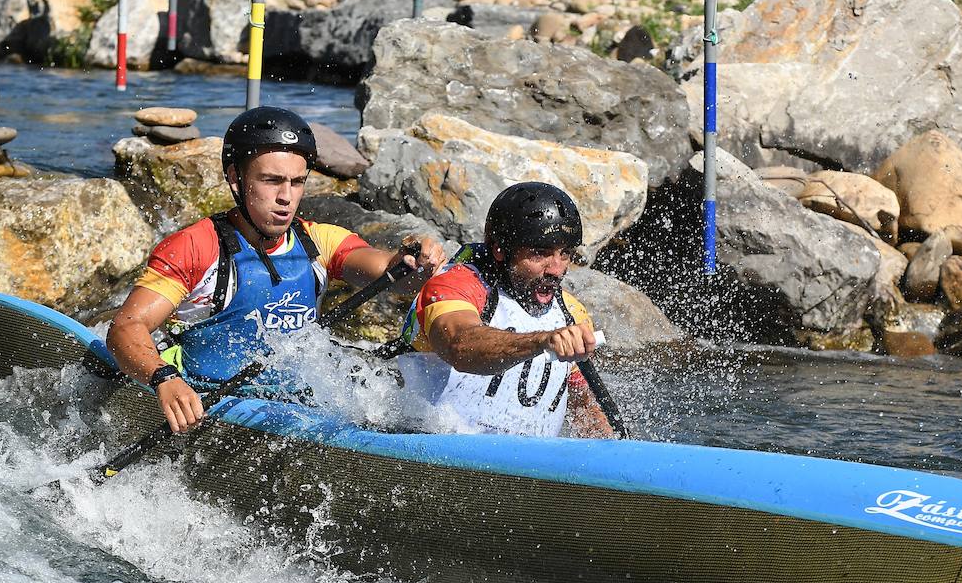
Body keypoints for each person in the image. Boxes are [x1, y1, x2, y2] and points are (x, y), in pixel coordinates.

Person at [108, 106, 444, 433]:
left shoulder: (320, 242)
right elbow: (127, 326)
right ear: (236, 179)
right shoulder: (195, 247)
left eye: (297, 182)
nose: (286, 197)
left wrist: (415, 259)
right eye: (271, 181)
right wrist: (163, 377)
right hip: (212, 402)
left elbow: (393, 274)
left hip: (296, 407)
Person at [395, 182, 614, 438]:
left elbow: (584, 408)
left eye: (565, 254)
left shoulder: (572, 311)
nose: (556, 269)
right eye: (540, 253)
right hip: (427, 448)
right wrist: (543, 341)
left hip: (519, 470)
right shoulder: (453, 285)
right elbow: (460, 346)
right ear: (500, 248)